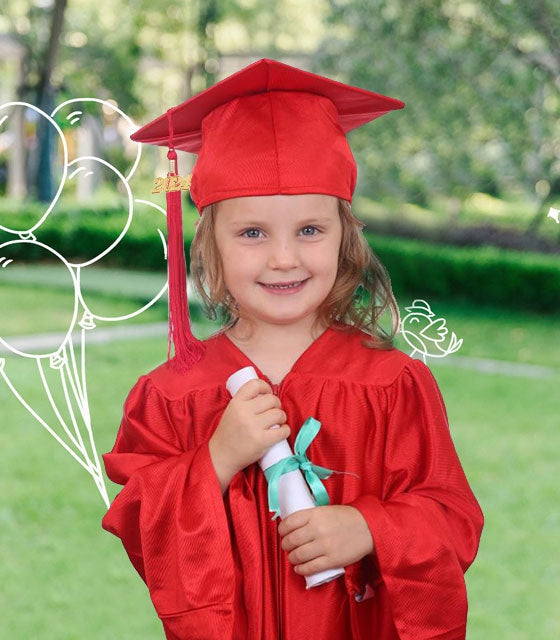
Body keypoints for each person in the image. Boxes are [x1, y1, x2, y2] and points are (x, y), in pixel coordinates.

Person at [101, 58, 484, 640]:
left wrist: (371, 528)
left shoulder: (393, 384)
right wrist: (217, 459)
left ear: (345, 238)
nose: (284, 257)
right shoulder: (170, 395)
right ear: (210, 247)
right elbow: (139, 526)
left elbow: (453, 516)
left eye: (310, 229)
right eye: (252, 232)